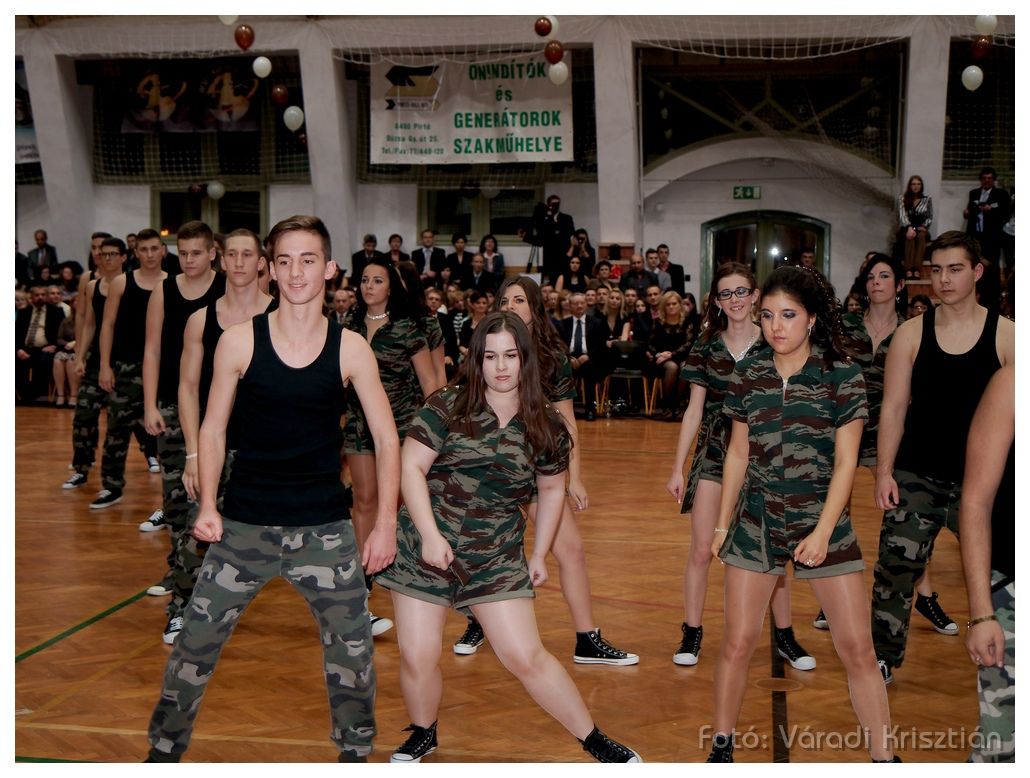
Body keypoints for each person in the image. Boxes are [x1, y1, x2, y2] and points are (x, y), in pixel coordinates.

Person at [144, 214, 399, 764]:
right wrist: (207, 505)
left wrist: (384, 526)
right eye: (285, 261)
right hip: (243, 524)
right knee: (193, 645)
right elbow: (213, 428)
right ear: (271, 270)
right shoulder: (239, 341)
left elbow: (386, 439)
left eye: (308, 260)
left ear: (329, 269)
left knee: (353, 656)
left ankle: (355, 755)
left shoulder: (352, 348)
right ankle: (162, 755)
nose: (296, 271)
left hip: (324, 527)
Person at [377, 312, 641, 763]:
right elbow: (411, 468)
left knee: (525, 655)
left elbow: (551, 490)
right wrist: (430, 535)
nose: (500, 367)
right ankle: (423, 731)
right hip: (426, 546)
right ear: (477, 360)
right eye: (490, 356)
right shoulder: (447, 405)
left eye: (511, 356)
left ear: (526, 360)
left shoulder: (547, 425)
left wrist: (539, 554)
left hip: (495, 554)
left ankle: (594, 738)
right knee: (418, 655)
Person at [706, 264, 896, 763]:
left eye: (788, 315)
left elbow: (848, 462)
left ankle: (884, 757)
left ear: (811, 318)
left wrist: (824, 531)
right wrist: (722, 524)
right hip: (756, 522)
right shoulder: (749, 374)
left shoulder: (841, 375)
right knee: (737, 643)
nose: (776, 326)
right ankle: (721, 750)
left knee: (858, 650)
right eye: (768, 315)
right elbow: (738, 454)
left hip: (824, 522)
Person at [451, 276, 637, 665]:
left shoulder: (552, 359)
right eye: (505, 300)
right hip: (489, 469)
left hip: (536, 472)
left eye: (519, 300)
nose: (510, 306)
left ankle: (587, 638)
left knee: (571, 550)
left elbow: (567, 424)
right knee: (483, 546)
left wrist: (575, 477)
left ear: (535, 307)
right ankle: (478, 621)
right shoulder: (485, 352)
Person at [872, 231, 1014, 685]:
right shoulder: (910, 334)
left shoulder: (1008, 336)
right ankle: (882, 659)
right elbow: (894, 407)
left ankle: (1000, 640)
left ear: (977, 272)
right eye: (936, 270)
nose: (944, 279)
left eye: (955, 269)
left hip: (987, 481)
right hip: (918, 472)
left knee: (1001, 566)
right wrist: (884, 471)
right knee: (895, 570)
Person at [667, 263, 815, 669]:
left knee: (773, 552)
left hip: (765, 455)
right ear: (716, 301)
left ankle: (785, 635)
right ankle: (692, 631)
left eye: (741, 292)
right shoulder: (706, 346)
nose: (734, 300)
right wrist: (678, 467)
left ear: (754, 296)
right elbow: (693, 411)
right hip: (716, 454)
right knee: (701, 548)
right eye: (725, 293)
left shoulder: (773, 341)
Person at [343, 256, 438, 637]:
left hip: (400, 426)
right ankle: (363, 577)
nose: (369, 286)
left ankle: (398, 566)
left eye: (377, 280)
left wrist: (436, 431)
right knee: (363, 499)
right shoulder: (348, 327)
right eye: (365, 280)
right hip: (359, 425)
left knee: (396, 501)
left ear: (390, 287)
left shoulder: (406, 328)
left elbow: (429, 382)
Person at [143, 221, 226, 642]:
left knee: (214, 506)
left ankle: (196, 592)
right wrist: (149, 404)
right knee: (179, 503)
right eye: (183, 253)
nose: (189, 260)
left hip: (223, 410)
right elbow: (153, 349)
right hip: (176, 408)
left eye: (197, 253)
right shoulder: (165, 290)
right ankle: (180, 579)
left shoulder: (227, 289)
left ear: (212, 253)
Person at [959, 365, 1014, 763]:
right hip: (1013, 594)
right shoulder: (1013, 384)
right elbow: (976, 502)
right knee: (1002, 749)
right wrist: (981, 613)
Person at [91, 234, 167, 510]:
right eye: (144, 249)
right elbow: (107, 325)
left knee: (168, 433)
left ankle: (173, 498)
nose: (149, 254)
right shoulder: (122, 283)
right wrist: (105, 365)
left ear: (163, 251)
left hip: (163, 369)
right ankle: (112, 486)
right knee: (116, 430)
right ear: (136, 252)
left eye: (154, 248)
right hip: (126, 368)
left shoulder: (171, 283)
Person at [646, 291, 699, 419]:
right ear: (663, 306)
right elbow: (650, 344)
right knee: (672, 367)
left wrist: (671, 354)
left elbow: (689, 345)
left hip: (681, 357)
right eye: (668, 304)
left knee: (685, 367)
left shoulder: (688, 323)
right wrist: (660, 354)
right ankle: (667, 406)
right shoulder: (657, 322)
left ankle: (678, 405)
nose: (671, 307)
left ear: (680, 305)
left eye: (674, 304)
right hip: (661, 361)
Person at [15, 284, 65, 404]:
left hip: (45, 348)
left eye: (43, 295)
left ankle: (34, 394)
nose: (40, 297)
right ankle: (25, 395)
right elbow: (16, 334)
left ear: (47, 296)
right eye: (37, 295)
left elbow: (62, 333)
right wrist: (18, 349)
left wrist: (55, 346)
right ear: (31, 297)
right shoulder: (23, 312)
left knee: (44, 362)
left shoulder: (56, 312)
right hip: (25, 348)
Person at [964, 166, 1011, 264]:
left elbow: (1006, 212)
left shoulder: (1001, 194)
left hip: (992, 235)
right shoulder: (974, 193)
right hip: (975, 233)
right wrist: (966, 212)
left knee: (992, 262)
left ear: (994, 180)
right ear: (981, 180)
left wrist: (991, 209)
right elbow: (969, 209)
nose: (987, 181)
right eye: (984, 178)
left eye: (989, 178)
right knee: (974, 260)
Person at [527, 194, 576, 285]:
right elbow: (540, 239)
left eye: (557, 204)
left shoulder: (567, 219)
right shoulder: (544, 220)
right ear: (548, 205)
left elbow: (572, 236)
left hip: (564, 255)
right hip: (549, 257)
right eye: (553, 204)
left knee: (564, 280)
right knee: (551, 282)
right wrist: (525, 237)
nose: (555, 206)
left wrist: (571, 250)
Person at [895, 175, 933, 279]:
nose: (916, 186)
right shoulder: (903, 199)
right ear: (910, 186)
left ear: (921, 186)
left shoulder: (927, 200)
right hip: (906, 228)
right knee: (910, 236)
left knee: (921, 236)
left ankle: (916, 269)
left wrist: (924, 226)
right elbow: (902, 216)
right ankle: (909, 269)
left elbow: (929, 217)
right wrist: (909, 227)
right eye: (913, 184)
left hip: (921, 228)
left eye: (918, 184)